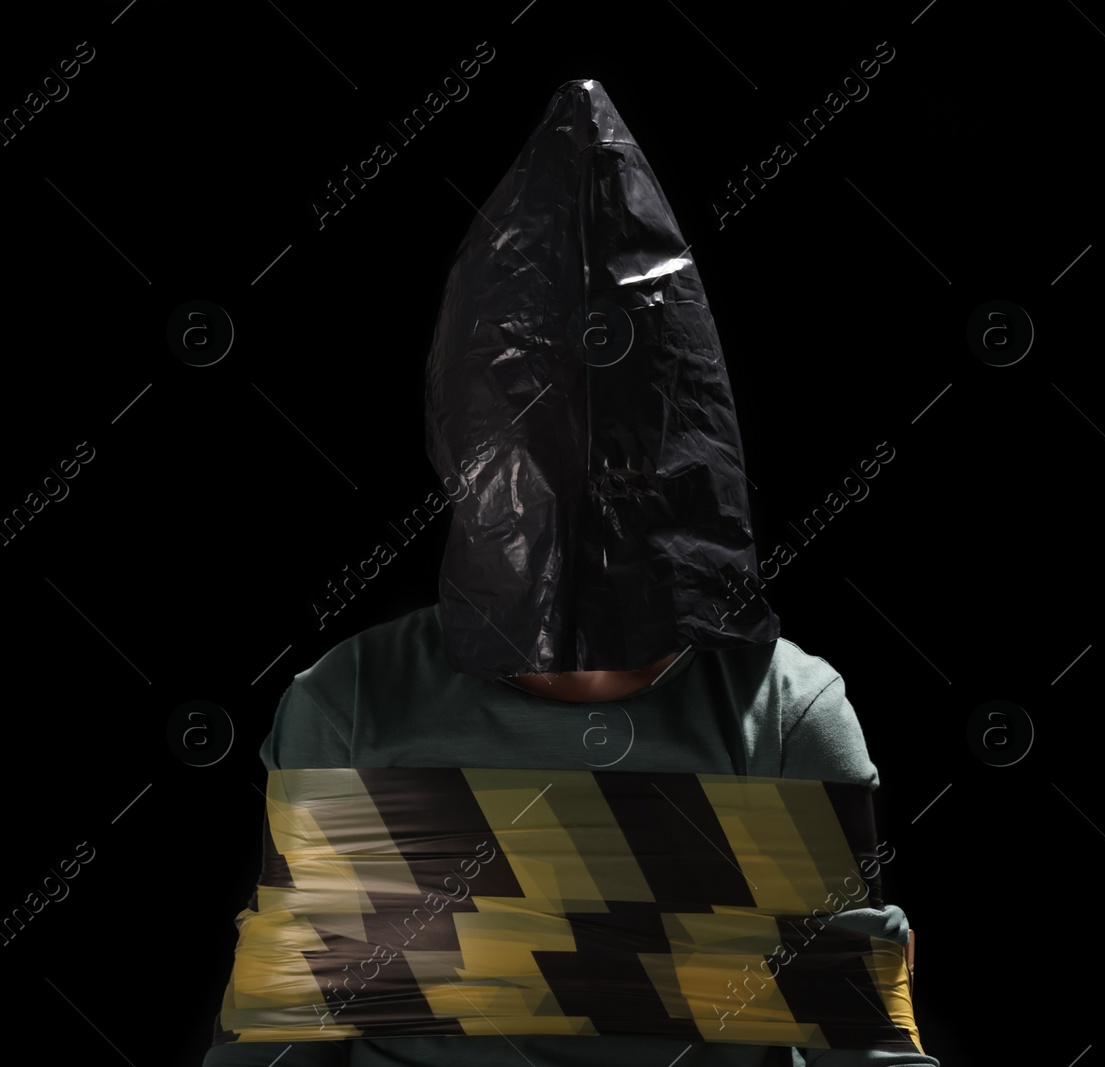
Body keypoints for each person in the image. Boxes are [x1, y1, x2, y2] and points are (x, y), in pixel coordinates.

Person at [202, 79, 934, 1067]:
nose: (590, 483)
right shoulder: (351, 707)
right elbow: (279, 1045)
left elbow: (859, 1049)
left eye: (627, 460)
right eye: (539, 450)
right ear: (473, 461)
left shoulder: (785, 718)